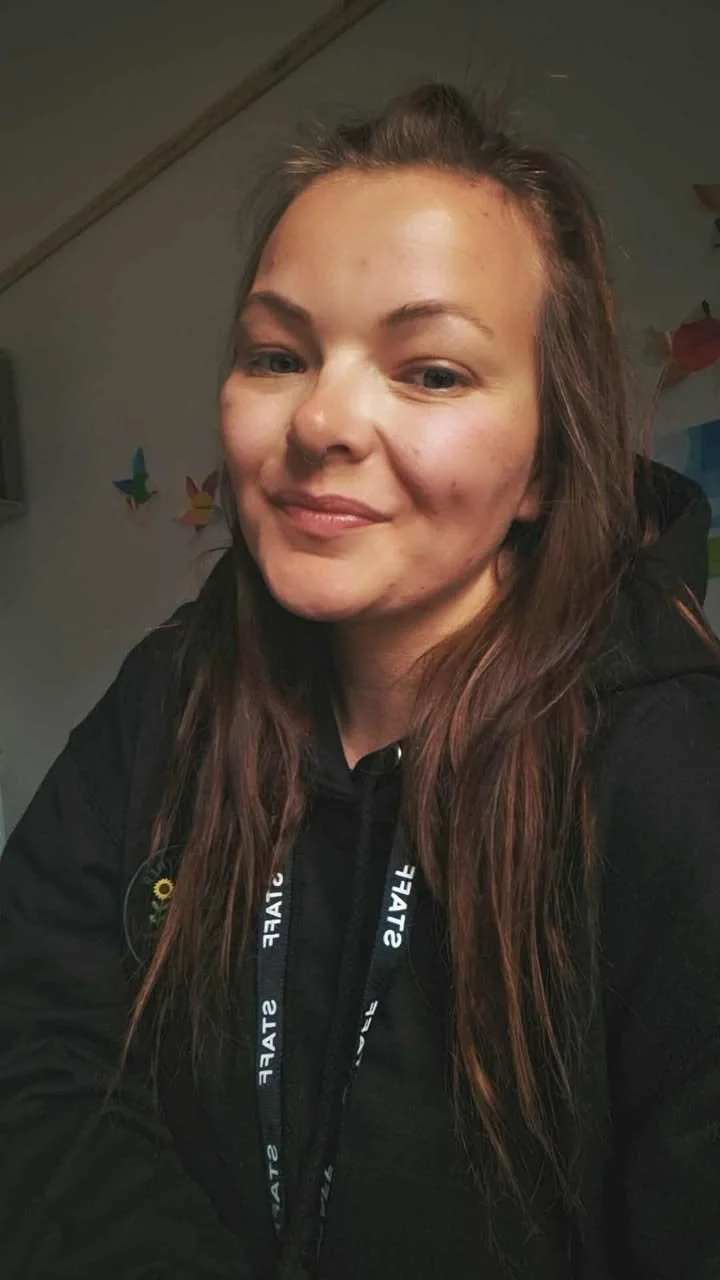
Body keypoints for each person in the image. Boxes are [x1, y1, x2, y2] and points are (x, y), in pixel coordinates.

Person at [1, 82, 719, 1280]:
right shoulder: (171, 691)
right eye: (277, 354)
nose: (322, 417)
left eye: (431, 371)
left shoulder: (669, 762)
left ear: (546, 460)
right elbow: (33, 1044)